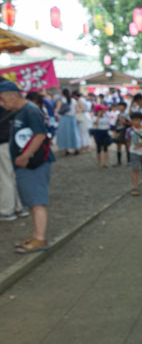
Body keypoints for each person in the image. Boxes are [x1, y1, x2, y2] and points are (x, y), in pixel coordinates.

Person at [0, 80, 55, 254]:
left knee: (37, 200)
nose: (1, 104)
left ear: (13, 96)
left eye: (2, 100)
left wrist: (25, 155)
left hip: (34, 163)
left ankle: (40, 238)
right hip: (26, 164)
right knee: (32, 201)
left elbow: (40, 135)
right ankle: (36, 235)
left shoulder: (30, 110)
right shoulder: (20, 111)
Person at [0, 101, 25, 222]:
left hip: (2, 144)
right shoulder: (12, 105)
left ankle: (7, 210)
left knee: (5, 177)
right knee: (13, 175)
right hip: (13, 143)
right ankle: (19, 207)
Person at [54, 88, 81, 154]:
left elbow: (57, 109)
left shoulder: (61, 100)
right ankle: (76, 149)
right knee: (74, 134)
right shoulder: (73, 100)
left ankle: (66, 150)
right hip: (72, 119)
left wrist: (55, 114)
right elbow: (77, 110)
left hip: (64, 119)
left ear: (62, 93)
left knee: (64, 134)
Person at [91, 104, 113, 168]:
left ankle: (105, 163)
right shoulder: (94, 117)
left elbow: (109, 124)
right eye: (101, 109)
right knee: (99, 148)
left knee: (105, 148)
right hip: (98, 132)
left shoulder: (106, 115)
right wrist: (98, 116)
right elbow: (95, 123)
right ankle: (99, 163)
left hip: (105, 132)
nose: (103, 110)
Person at [110, 101, 131, 165]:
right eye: (119, 106)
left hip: (125, 130)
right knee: (118, 145)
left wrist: (124, 122)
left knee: (127, 145)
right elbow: (115, 123)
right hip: (119, 130)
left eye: (121, 106)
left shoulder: (127, 114)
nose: (119, 107)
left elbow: (130, 123)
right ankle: (119, 161)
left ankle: (129, 161)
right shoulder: (118, 114)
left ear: (124, 107)